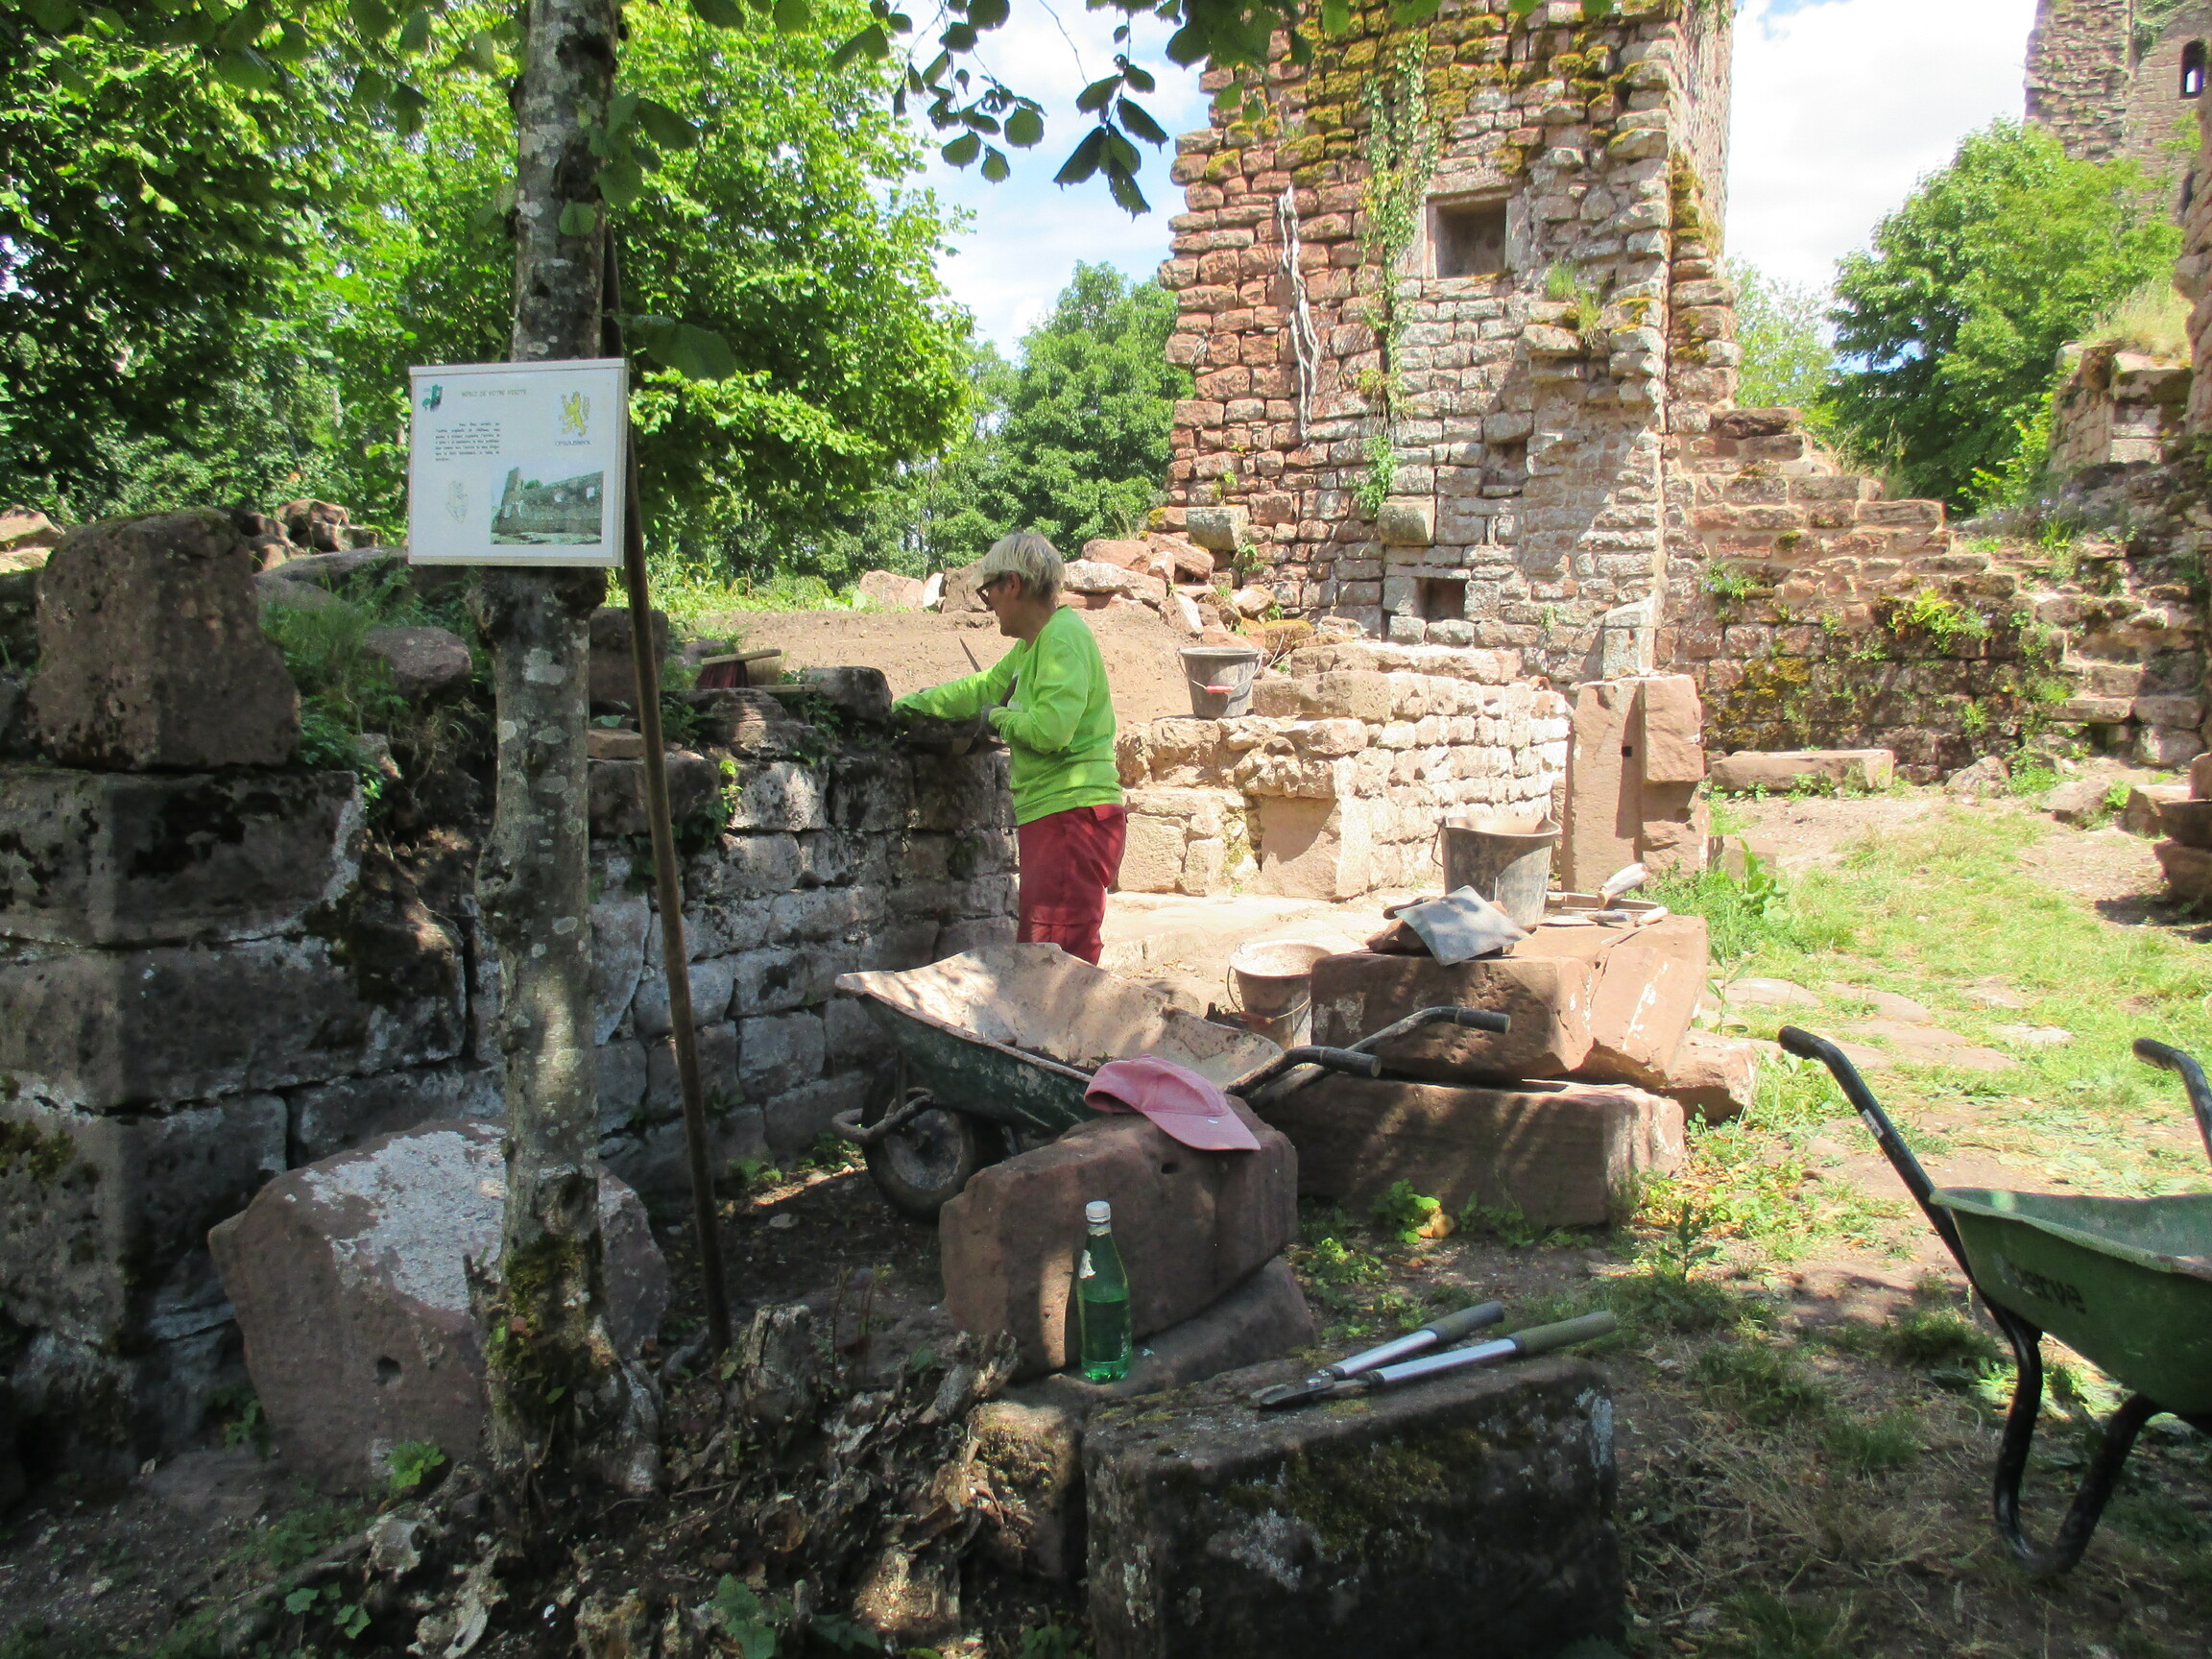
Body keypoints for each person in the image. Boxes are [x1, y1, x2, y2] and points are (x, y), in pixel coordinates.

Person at [893, 531, 1125, 963]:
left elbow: (1051, 730)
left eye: (989, 592)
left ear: (1012, 584)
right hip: (1061, 817)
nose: (989, 604)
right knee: (1048, 959)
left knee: (1052, 965)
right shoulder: (1033, 646)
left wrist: (997, 718)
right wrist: (911, 705)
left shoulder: (1061, 639)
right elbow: (982, 688)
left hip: (1071, 816)